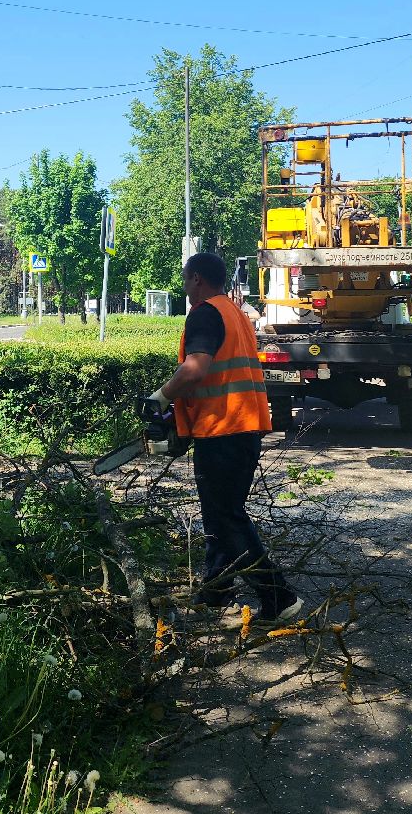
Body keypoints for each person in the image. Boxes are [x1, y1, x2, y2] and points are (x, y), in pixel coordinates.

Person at [143, 252, 303, 623]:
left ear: (197, 279)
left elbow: (195, 369)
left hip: (224, 428)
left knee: (227, 517)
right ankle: (216, 590)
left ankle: (279, 597)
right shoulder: (235, 313)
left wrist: (160, 397)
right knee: (219, 514)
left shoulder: (204, 313)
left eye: (186, 279)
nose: (185, 286)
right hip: (241, 425)